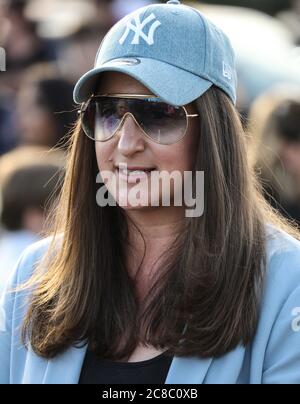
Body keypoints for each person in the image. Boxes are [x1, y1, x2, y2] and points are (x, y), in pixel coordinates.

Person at [1, 0, 300, 385]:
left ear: (213, 131)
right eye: (108, 111)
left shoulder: (287, 282)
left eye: (157, 114)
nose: (125, 143)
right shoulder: (35, 275)